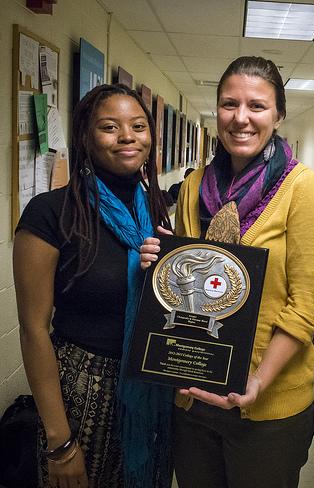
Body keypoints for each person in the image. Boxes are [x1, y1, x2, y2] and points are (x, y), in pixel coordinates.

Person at [141, 56, 314, 488]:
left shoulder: (304, 190)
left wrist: (257, 381)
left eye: (257, 106)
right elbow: (189, 284)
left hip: (266, 403)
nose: (241, 118)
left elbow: (305, 306)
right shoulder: (195, 185)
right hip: (193, 394)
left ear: (279, 115)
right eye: (229, 104)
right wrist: (161, 263)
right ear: (216, 111)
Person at [13, 84, 174, 488]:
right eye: (109, 127)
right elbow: (34, 330)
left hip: (148, 386)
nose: (127, 137)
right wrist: (59, 442)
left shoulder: (153, 207)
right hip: (82, 395)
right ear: (86, 136)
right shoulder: (51, 212)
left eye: (138, 126)